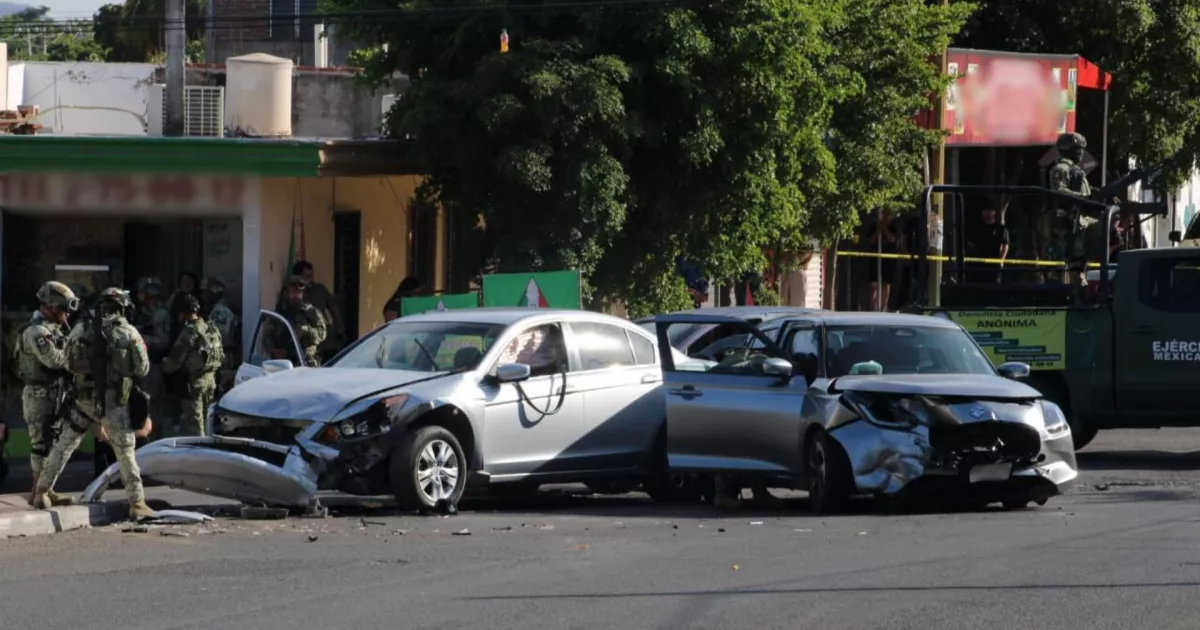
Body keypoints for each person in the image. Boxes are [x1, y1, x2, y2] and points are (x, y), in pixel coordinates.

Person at [32, 288, 154, 521]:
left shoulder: (79, 328)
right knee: (125, 452)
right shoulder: (128, 332)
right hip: (113, 403)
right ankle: (137, 503)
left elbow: (67, 362)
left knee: (64, 445)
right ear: (121, 307)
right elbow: (142, 369)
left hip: (83, 400)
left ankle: (41, 491)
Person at [14, 281, 79, 506]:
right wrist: (77, 359)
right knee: (40, 444)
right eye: (64, 308)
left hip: (54, 392)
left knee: (53, 443)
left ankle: (46, 489)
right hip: (38, 394)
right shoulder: (36, 332)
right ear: (50, 306)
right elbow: (54, 360)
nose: (67, 313)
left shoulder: (55, 329)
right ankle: (37, 491)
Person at [162, 295, 223, 436]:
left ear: (183, 313)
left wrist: (163, 365)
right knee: (209, 422)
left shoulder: (189, 332)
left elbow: (173, 363)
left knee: (195, 427)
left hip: (194, 385)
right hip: (210, 382)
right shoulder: (211, 328)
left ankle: (201, 455)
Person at [1046, 132, 1093, 291]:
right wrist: (1084, 197)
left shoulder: (1076, 170)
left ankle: (1079, 291)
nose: (1081, 153)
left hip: (1079, 222)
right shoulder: (1061, 168)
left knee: (1079, 261)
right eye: (1077, 149)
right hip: (1065, 223)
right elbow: (1058, 191)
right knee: (1062, 265)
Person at [132, 276, 172, 431]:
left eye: (142, 292)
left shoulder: (160, 314)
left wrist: (140, 339)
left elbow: (163, 341)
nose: (139, 295)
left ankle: (153, 434)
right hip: (143, 363)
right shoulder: (143, 312)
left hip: (154, 365)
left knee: (152, 401)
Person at [274, 275, 327, 367]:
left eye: (298, 292)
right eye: (292, 292)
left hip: (307, 360)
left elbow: (322, 334)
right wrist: (274, 350)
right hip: (285, 362)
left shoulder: (311, 312)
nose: (295, 295)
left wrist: (306, 330)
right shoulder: (280, 313)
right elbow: (268, 335)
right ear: (286, 293)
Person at [201, 277, 239, 395]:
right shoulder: (214, 309)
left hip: (222, 358)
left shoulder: (219, 311)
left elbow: (220, 337)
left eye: (205, 292)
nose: (203, 295)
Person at [863, 208, 898, 310]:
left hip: (888, 259)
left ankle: (883, 307)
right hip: (875, 258)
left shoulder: (893, 227)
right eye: (885, 214)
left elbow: (892, 239)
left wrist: (884, 228)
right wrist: (878, 230)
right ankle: (871, 307)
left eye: (889, 215)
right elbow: (870, 241)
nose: (886, 217)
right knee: (873, 285)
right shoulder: (874, 226)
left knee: (886, 285)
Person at [967, 207, 1010, 283]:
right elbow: (970, 243)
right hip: (979, 265)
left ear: (994, 212)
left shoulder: (1001, 229)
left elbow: (1005, 245)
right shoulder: (977, 228)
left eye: (990, 210)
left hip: (995, 265)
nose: (987, 212)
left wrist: (1001, 260)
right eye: (985, 210)